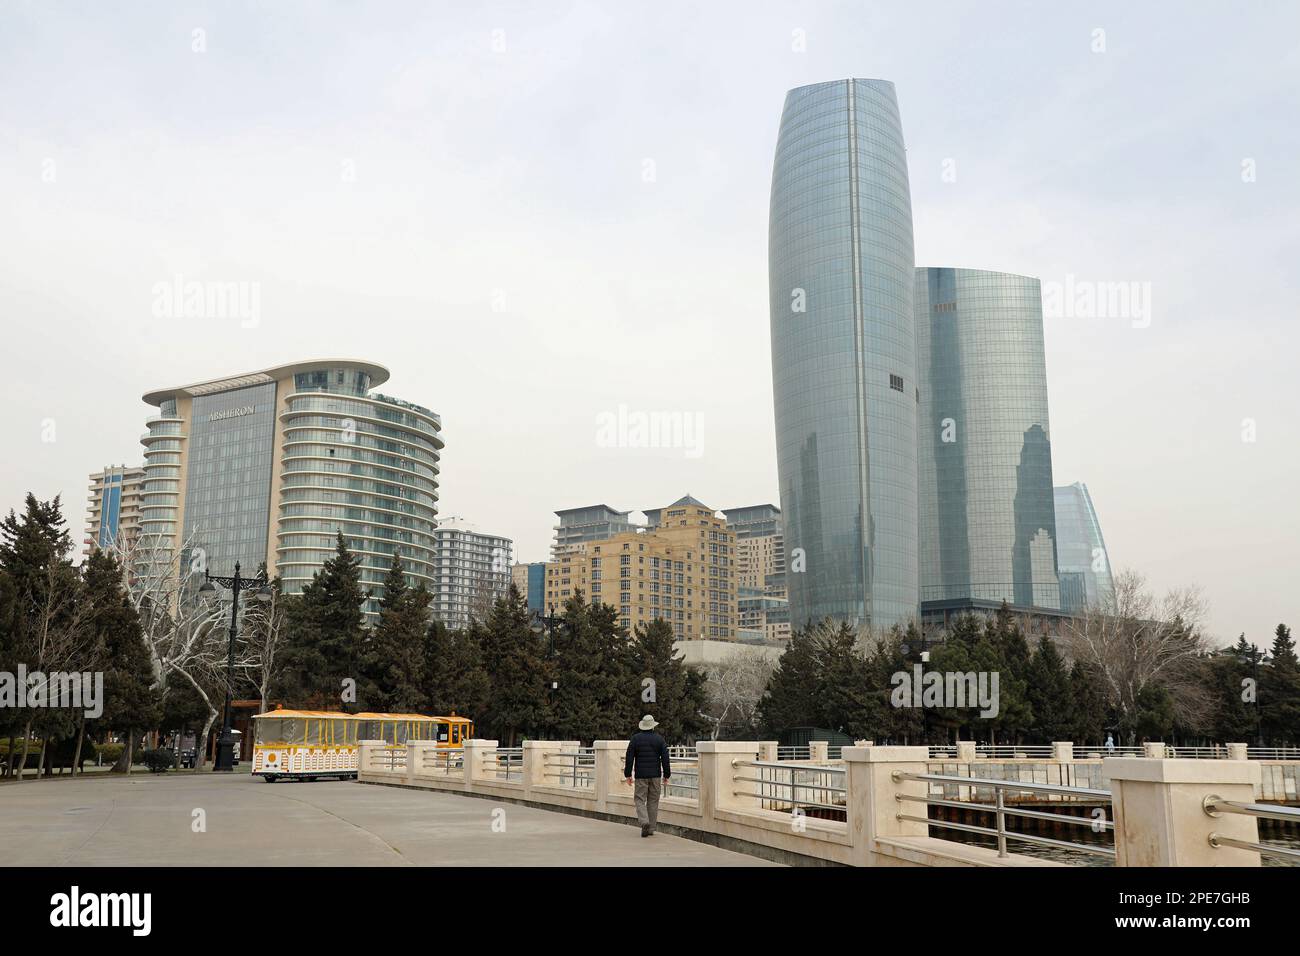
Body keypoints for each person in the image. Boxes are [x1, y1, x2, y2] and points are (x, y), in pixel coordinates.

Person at [624, 714, 671, 837]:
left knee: (639, 799)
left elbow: (629, 757)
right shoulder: (659, 739)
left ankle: (644, 821)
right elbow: (665, 758)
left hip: (641, 775)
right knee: (653, 801)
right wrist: (667, 775)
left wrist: (628, 774)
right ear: (653, 727)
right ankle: (650, 828)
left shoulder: (635, 739)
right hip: (655, 775)